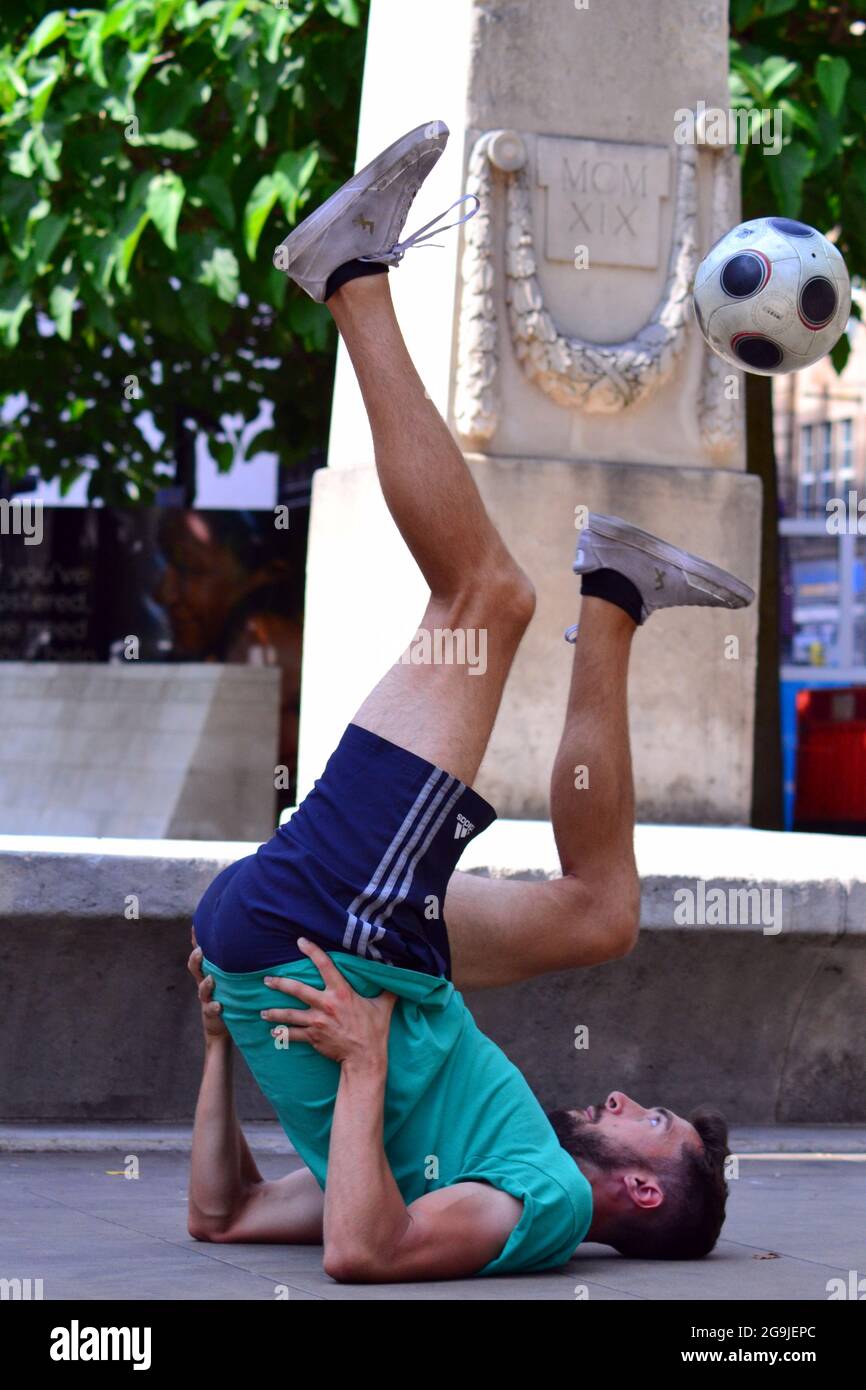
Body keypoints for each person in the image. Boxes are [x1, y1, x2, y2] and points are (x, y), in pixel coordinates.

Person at [188, 122, 754, 1281]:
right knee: (599, 914)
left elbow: (362, 1250)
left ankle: (348, 277)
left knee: (482, 594)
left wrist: (353, 1063)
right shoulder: (468, 1147)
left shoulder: (535, 1199)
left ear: (639, 1186)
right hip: (361, 954)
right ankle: (615, 591)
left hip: (337, 939)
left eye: (650, 1119)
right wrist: (215, 1045)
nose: (621, 1091)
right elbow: (222, 1219)